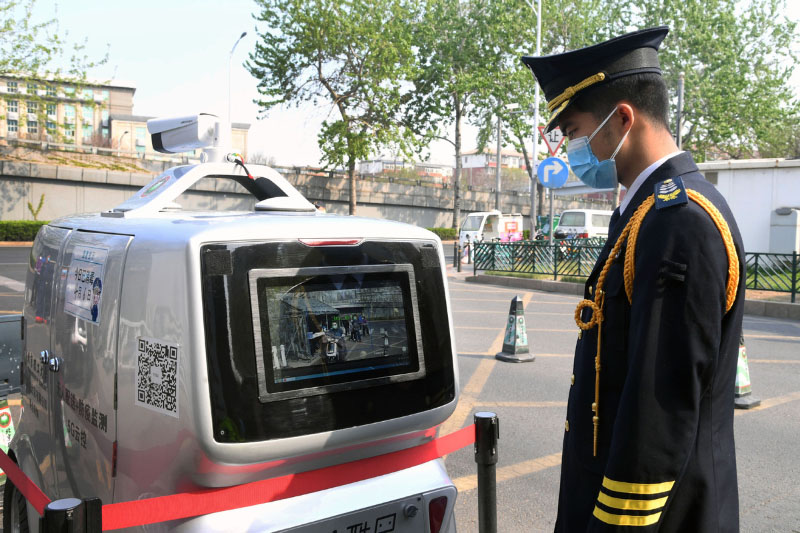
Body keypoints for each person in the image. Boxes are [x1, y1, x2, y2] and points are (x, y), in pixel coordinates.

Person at [522, 26, 745, 532]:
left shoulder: (680, 221)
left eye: (574, 132)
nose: (570, 149)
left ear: (622, 118)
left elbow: (658, 414)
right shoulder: (645, 210)